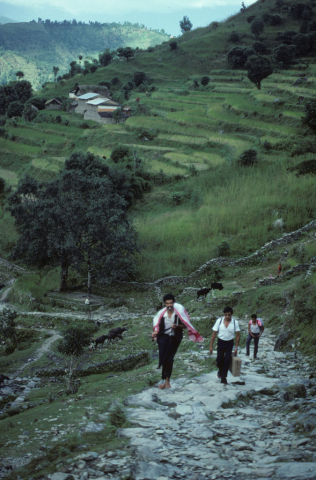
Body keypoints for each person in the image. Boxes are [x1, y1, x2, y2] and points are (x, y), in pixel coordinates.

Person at [152, 293, 203, 389]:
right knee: (163, 358)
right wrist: (155, 332)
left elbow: (185, 325)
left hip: (174, 338)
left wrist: (177, 326)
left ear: (173, 303)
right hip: (163, 337)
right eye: (167, 304)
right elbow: (157, 326)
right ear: (165, 304)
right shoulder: (162, 315)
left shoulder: (178, 313)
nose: (169, 305)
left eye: (171, 303)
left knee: (169, 359)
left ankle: (166, 381)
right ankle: (164, 380)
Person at [209, 306, 240, 385]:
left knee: (227, 361)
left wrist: (236, 347)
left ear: (232, 314)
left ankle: (223, 377)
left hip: (229, 343)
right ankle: (220, 371)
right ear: (223, 314)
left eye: (229, 315)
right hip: (221, 342)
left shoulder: (234, 322)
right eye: (226, 315)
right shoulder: (219, 321)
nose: (227, 316)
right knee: (219, 360)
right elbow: (214, 334)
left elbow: (238, 336)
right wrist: (211, 346)